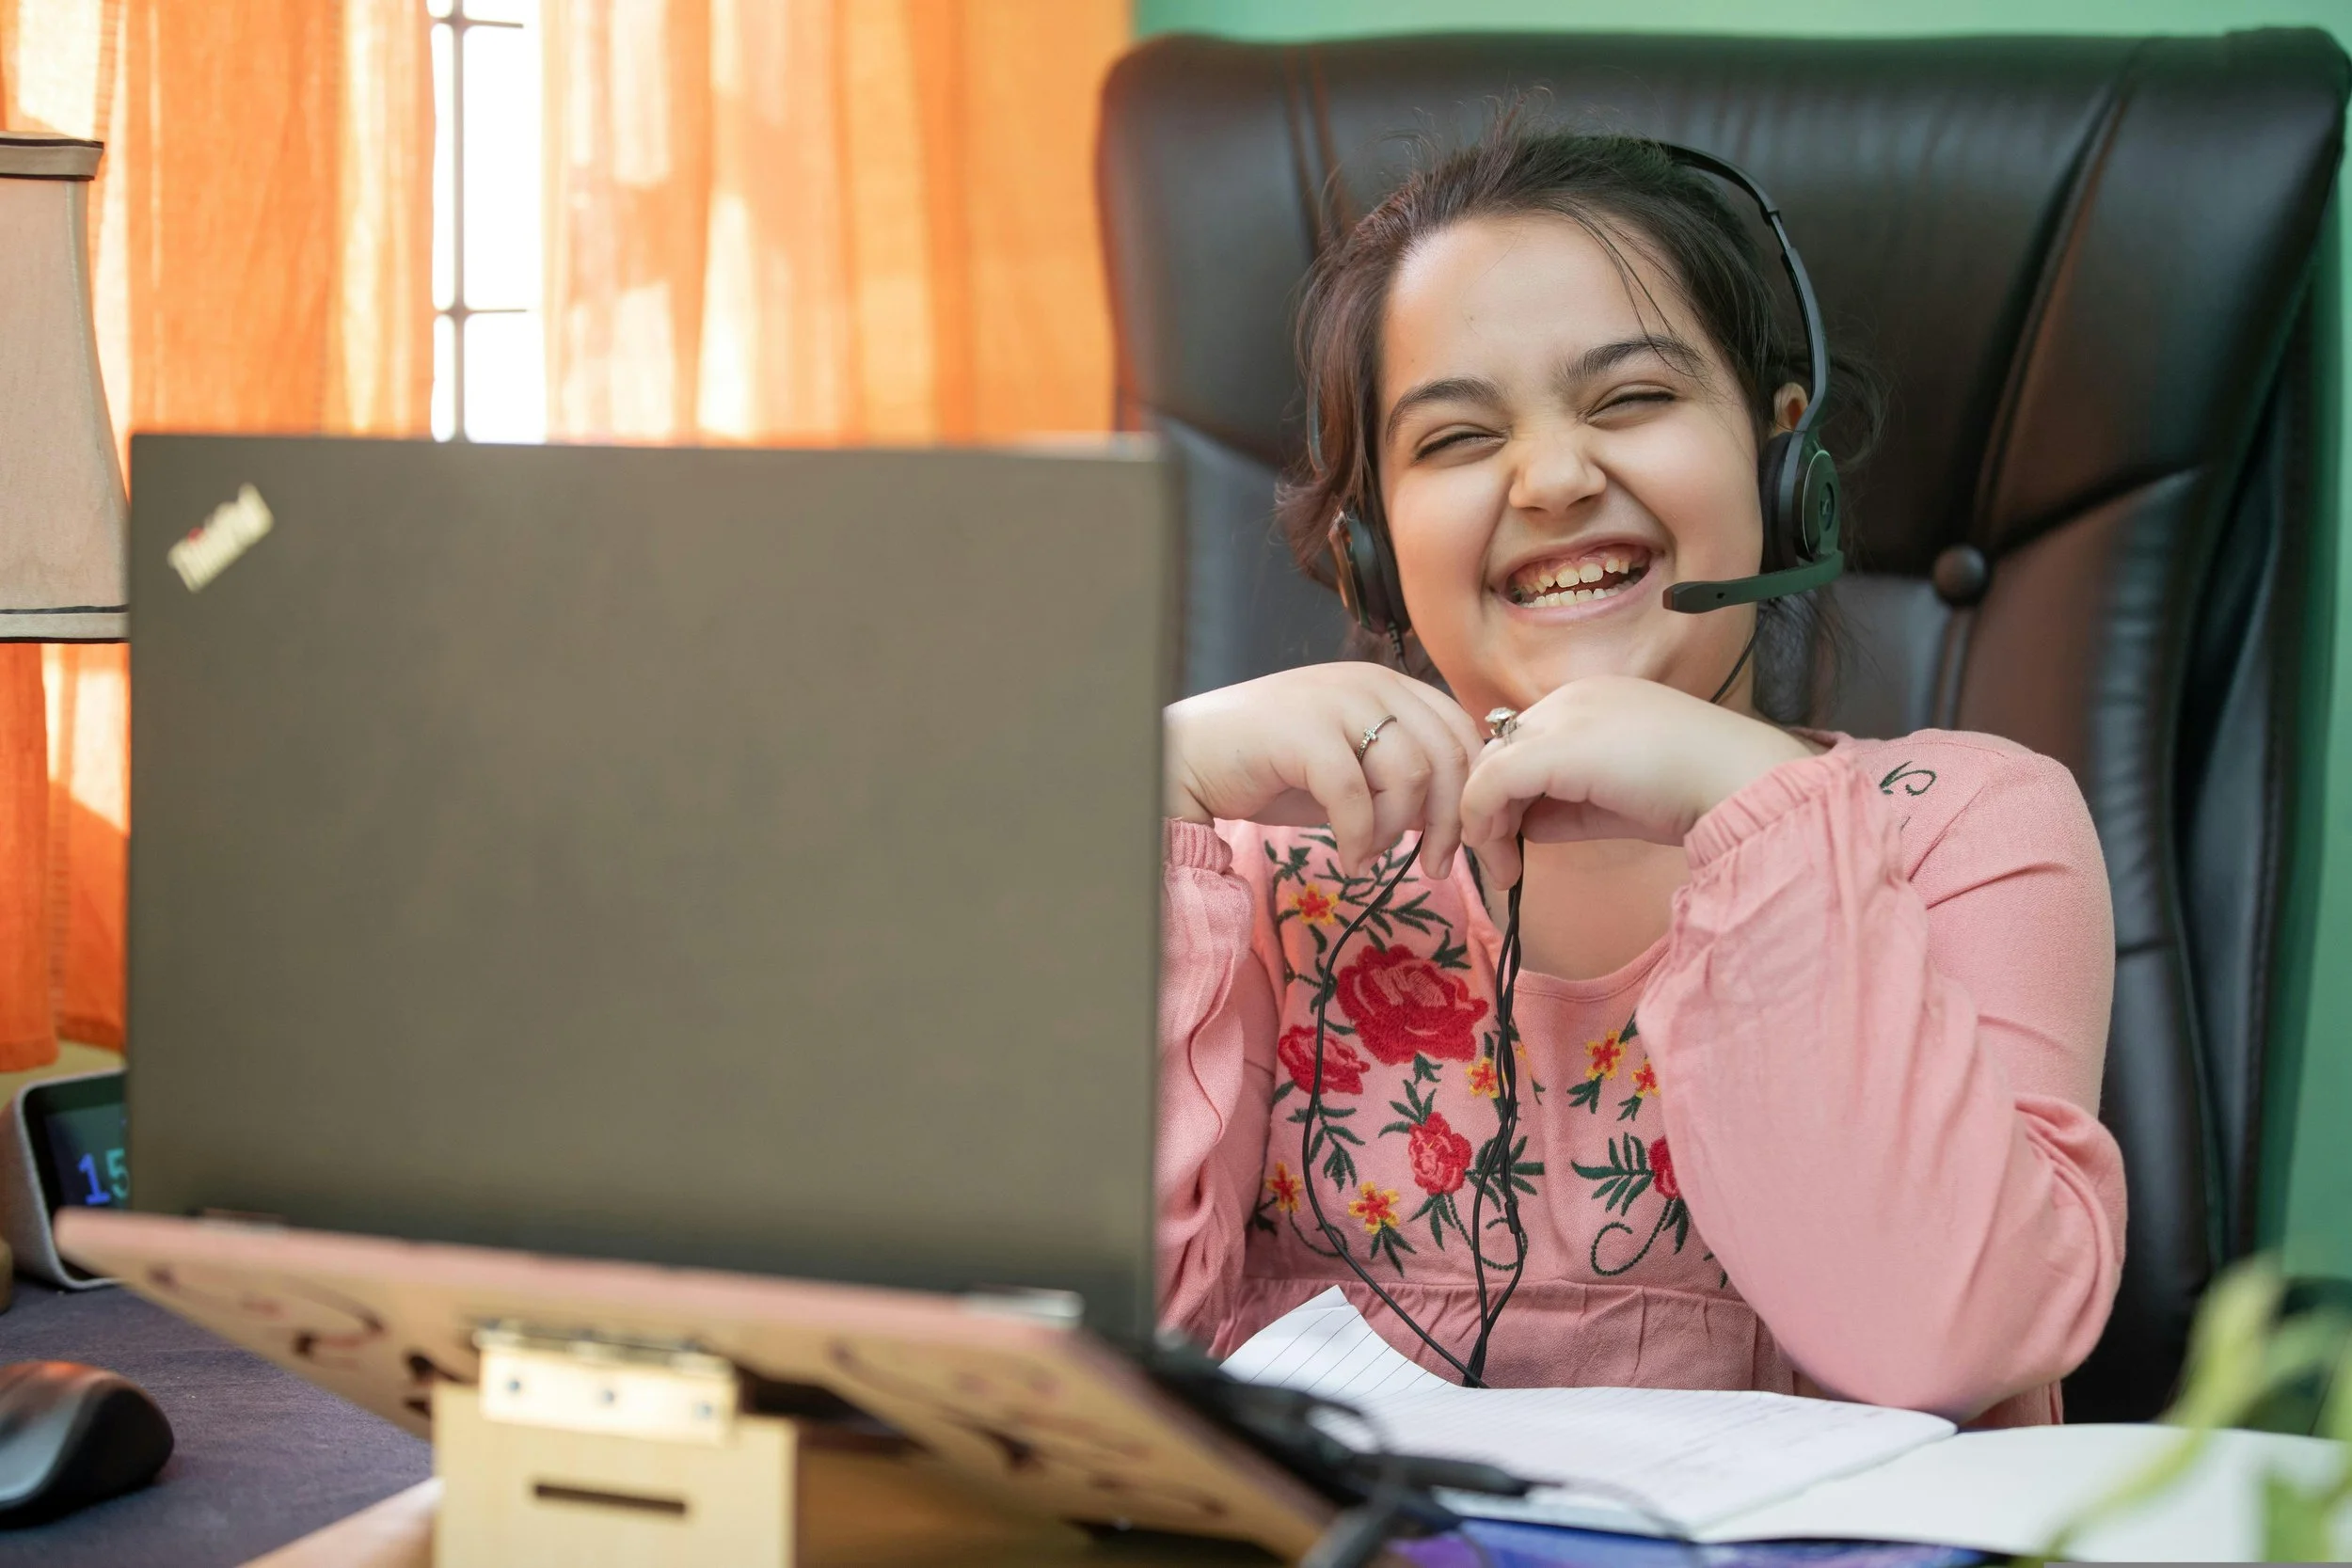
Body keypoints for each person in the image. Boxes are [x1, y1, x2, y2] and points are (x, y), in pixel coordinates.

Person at [1155, 125, 2123, 1427]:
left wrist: (1753, 815)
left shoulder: (1965, 828)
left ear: (1782, 462)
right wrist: (1142, 801)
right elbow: (1059, 1336)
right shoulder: (1270, 880)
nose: (1554, 477)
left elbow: (1942, 1339)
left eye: (1631, 401)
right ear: (1377, 547)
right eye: (1454, 438)